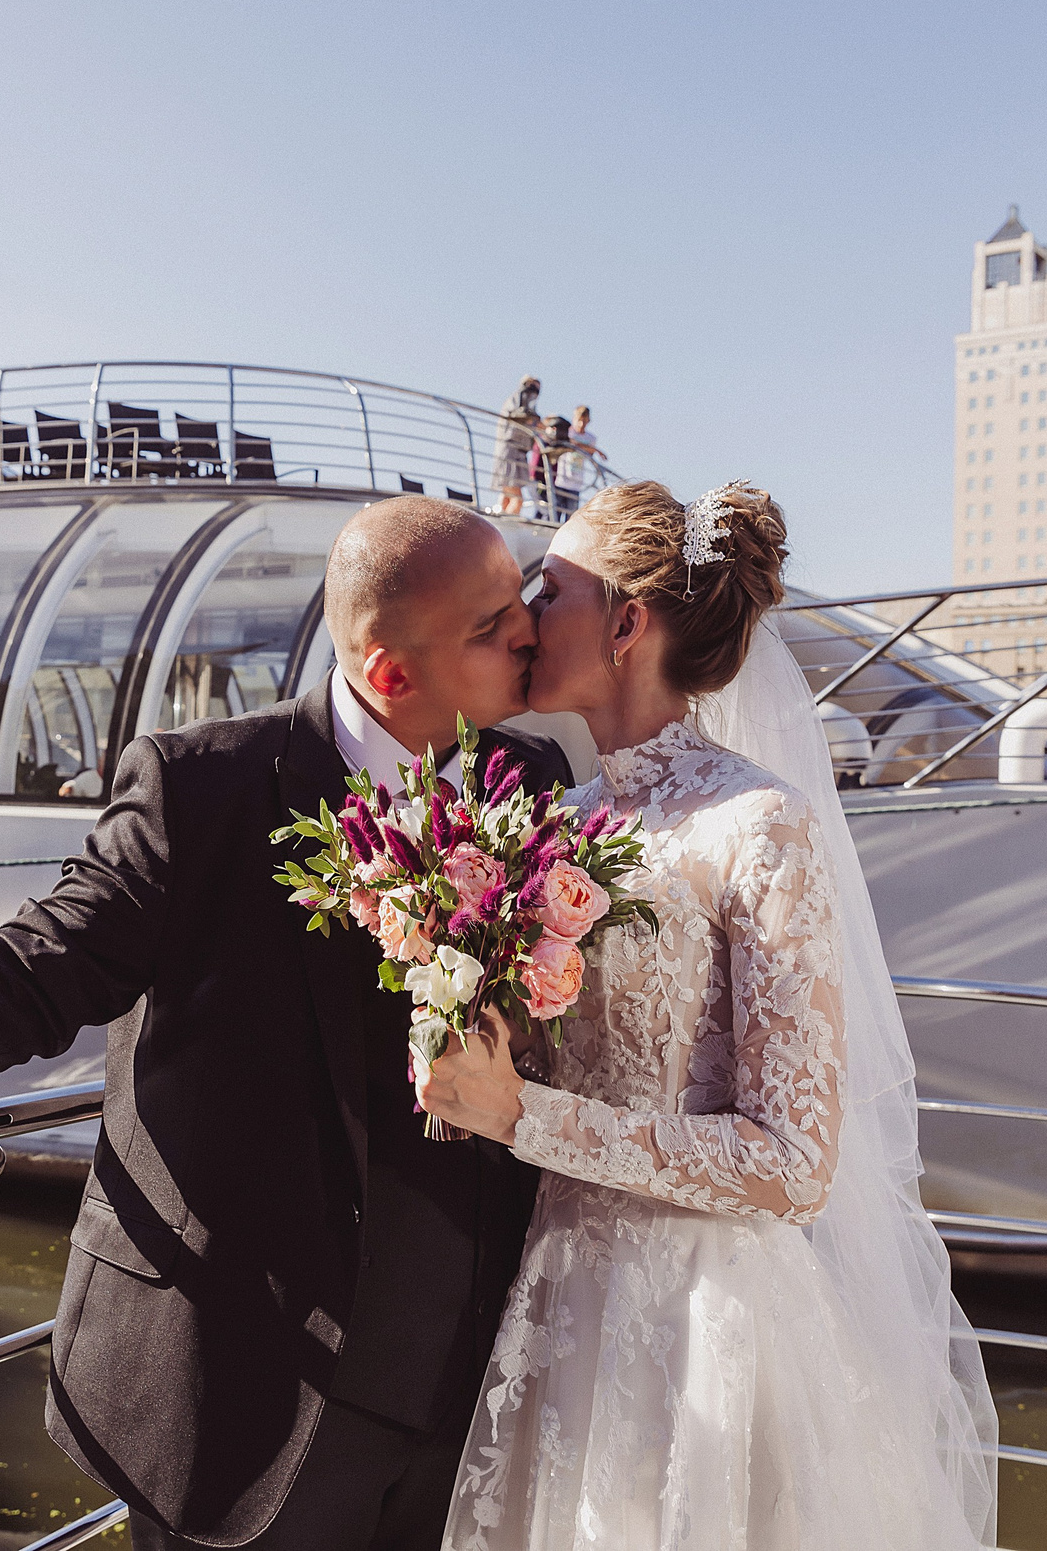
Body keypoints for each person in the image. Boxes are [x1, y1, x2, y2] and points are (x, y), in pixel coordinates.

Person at [0, 497, 573, 1551]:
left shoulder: (532, 783)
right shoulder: (202, 788)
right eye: (494, 626)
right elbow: (32, 970)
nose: (529, 630)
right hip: (247, 1391)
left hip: (463, 1387)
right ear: (391, 672)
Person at [420, 480, 999, 1549]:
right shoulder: (556, 823)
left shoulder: (757, 826)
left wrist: (522, 1117)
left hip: (700, 1329)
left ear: (627, 624)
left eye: (550, 593)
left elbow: (793, 1164)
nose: (522, 620)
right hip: (551, 1305)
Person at [491, 379, 541, 516]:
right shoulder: (516, 400)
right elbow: (520, 416)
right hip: (510, 451)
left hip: (519, 452)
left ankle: (501, 525)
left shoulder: (529, 405)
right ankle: (508, 530)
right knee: (517, 499)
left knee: (506, 497)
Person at [553, 406, 601, 515]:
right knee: (555, 512)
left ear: (588, 421)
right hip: (561, 480)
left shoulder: (591, 438)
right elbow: (570, 443)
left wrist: (592, 449)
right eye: (579, 420)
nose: (581, 424)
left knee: (571, 515)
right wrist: (594, 449)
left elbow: (590, 452)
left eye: (584, 421)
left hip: (576, 482)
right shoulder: (568, 432)